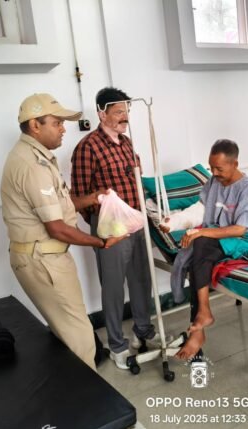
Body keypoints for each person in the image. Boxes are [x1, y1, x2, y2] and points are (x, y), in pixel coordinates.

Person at [1, 93, 114, 371]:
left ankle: (79, 389)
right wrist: (101, 242)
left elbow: (59, 206)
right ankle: (88, 394)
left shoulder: (36, 157)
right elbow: (57, 228)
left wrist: (92, 198)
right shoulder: (32, 165)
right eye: (57, 123)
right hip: (44, 260)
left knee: (69, 330)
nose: (64, 129)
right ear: (35, 125)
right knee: (79, 337)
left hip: (44, 257)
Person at [70, 87, 160, 370]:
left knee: (141, 280)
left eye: (127, 111)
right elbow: (78, 196)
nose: (125, 117)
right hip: (111, 226)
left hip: (136, 220)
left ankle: (143, 331)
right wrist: (101, 224)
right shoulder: (87, 147)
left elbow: (137, 181)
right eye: (119, 112)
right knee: (113, 287)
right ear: (102, 114)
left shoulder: (126, 143)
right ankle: (117, 345)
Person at [176, 139, 248, 360]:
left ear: (235, 164)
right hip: (221, 237)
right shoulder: (214, 181)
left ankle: (201, 321)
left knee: (200, 245)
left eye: (219, 169)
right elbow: (200, 209)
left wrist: (203, 233)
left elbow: (240, 229)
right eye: (211, 168)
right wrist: (175, 222)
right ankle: (201, 318)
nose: (214, 173)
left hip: (246, 240)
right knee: (198, 250)